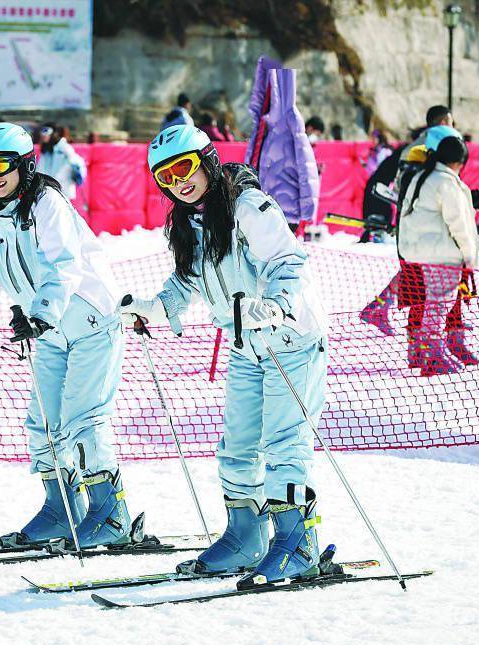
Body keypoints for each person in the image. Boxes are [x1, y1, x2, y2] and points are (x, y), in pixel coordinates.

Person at [121, 125, 328, 586]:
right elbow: (187, 282)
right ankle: (244, 537)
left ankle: (297, 543)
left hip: (288, 340)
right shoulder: (190, 222)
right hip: (245, 347)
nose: (178, 181)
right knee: (236, 448)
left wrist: (275, 305)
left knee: (284, 445)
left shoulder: (248, 207)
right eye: (166, 176)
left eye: (184, 167)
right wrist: (153, 308)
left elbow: (288, 262)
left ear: (207, 161)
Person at [0, 122, 136, 549]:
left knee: (83, 421)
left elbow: (64, 266)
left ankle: (110, 514)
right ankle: (62, 509)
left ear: (24, 165)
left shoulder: (47, 203)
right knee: (43, 425)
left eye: (2, 165)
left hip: (90, 322)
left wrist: (41, 315)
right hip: (49, 332)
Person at [360, 122, 462, 336]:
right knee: (417, 274)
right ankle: (422, 339)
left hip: (402, 212)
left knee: (414, 271)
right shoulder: (417, 154)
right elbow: (402, 189)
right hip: (392, 207)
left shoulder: (421, 151)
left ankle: (380, 307)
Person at [397, 135, 478, 376]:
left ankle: (424, 351)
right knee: (439, 304)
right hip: (440, 254)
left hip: (420, 251)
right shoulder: (445, 182)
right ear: (459, 161)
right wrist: (469, 256)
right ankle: (433, 355)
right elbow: (459, 223)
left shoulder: (423, 177)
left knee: (434, 302)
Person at [245, 57, 319, 231]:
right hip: (262, 210)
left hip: (285, 213)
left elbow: (306, 165)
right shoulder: (261, 128)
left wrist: (308, 208)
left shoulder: (289, 119)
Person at [36, 122, 86, 200]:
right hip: (49, 192)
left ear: (54, 133)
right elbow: (40, 170)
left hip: (63, 192)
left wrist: (78, 172)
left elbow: (78, 163)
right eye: (42, 131)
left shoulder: (64, 149)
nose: (43, 135)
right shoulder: (46, 151)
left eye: (46, 131)